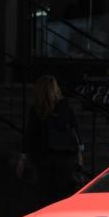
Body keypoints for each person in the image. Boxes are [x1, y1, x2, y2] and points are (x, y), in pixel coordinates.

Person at [17, 75, 83, 206]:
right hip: (65, 156)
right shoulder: (65, 107)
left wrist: (23, 157)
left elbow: (30, 134)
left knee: (45, 192)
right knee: (63, 192)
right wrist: (80, 154)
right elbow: (75, 130)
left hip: (43, 155)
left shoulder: (37, 109)